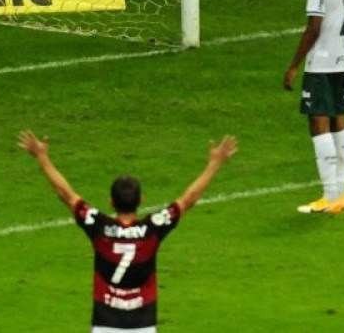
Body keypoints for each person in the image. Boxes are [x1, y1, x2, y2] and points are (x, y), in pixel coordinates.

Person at [19, 130, 237, 333]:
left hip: (105, 323)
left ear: (111, 202)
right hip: (143, 325)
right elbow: (189, 199)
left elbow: (66, 193)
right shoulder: (152, 229)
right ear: (141, 201)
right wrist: (215, 163)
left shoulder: (99, 227)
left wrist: (41, 157)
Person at [284, 0, 344, 215]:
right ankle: (342, 193)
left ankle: (329, 195)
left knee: (318, 120)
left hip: (324, 61)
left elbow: (313, 28)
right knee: (340, 117)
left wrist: (293, 65)